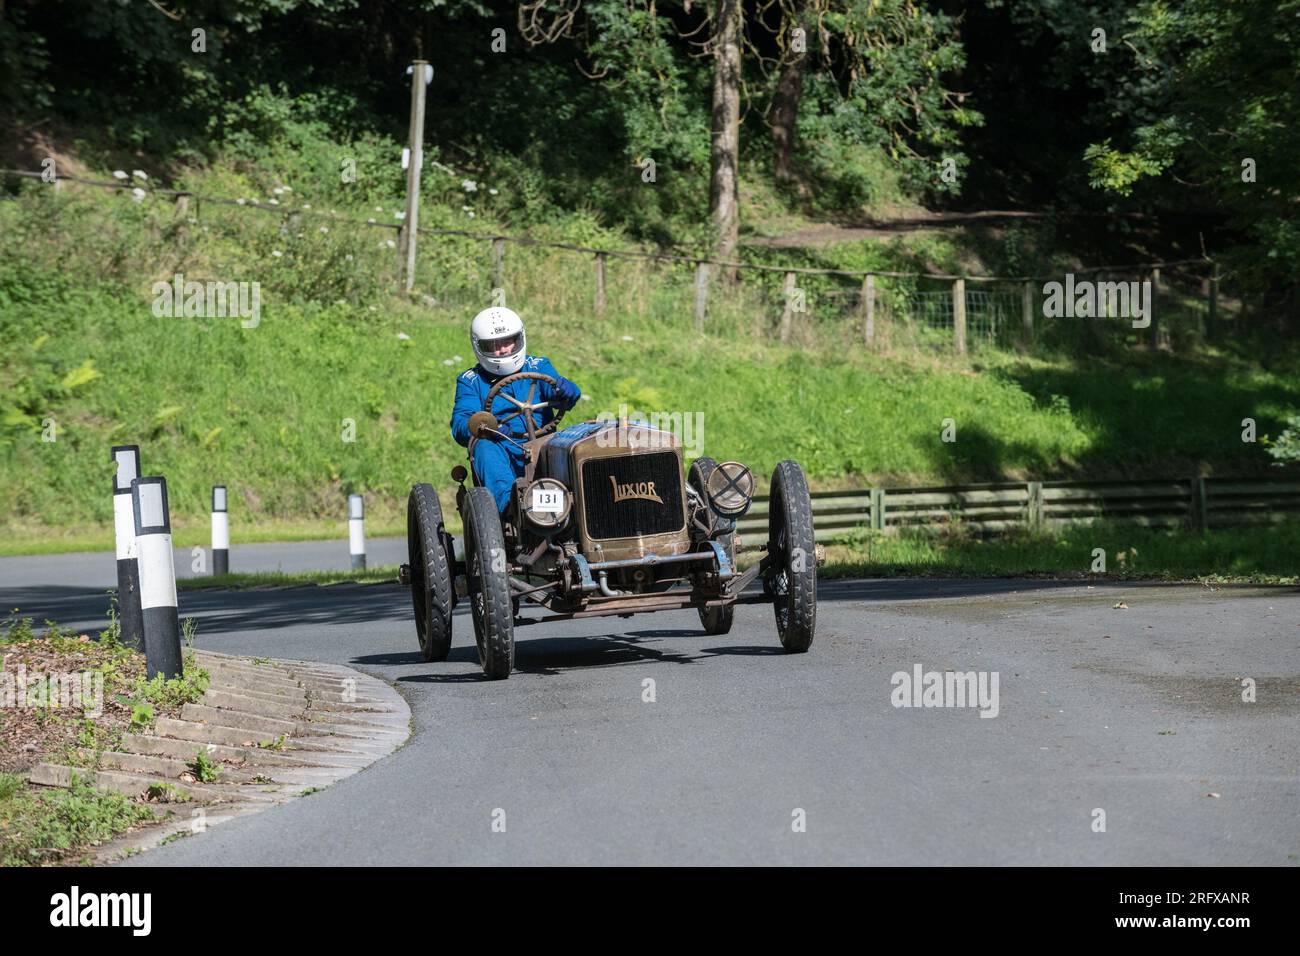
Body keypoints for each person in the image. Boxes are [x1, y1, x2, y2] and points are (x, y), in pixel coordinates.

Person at [450, 306, 581, 513]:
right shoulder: (471, 381)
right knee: (483, 447)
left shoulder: (538, 366)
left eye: (508, 341)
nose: (503, 350)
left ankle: (577, 507)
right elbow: (460, 424)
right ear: (479, 346)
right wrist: (489, 428)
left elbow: (556, 389)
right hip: (500, 445)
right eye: (493, 345)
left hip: (543, 442)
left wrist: (566, 391)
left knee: (573, 443)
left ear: (519, 338)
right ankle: (510, 509)